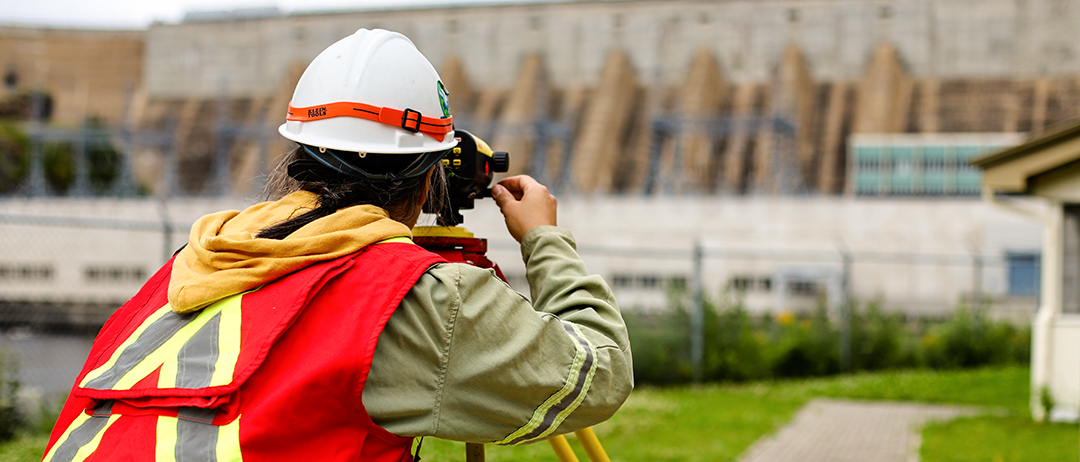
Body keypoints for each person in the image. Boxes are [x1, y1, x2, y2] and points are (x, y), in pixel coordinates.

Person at [42, 28, 633, 462]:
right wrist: (546, 241)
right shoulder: (414, 297)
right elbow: (600, 371)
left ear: (300, 159)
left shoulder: (195, 264)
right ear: (431, 177)